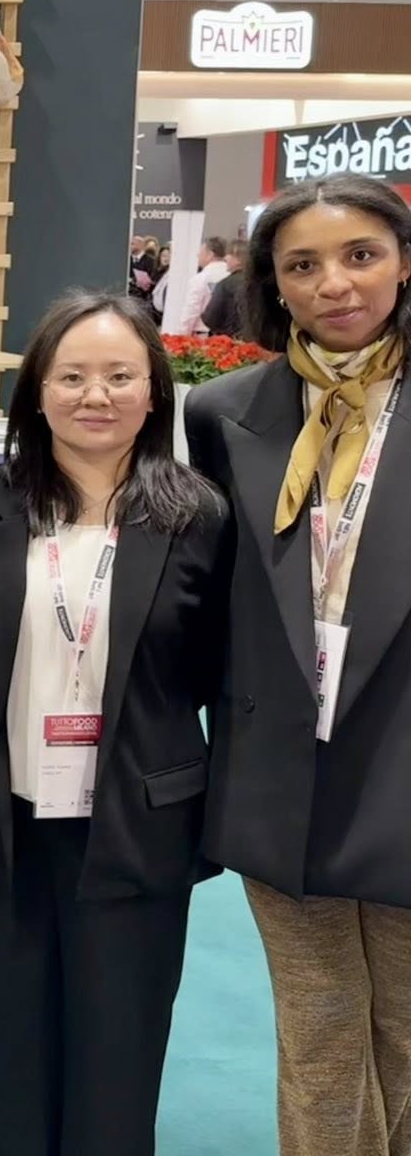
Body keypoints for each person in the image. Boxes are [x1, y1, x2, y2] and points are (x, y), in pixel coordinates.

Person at [0, 291, 230, 1156]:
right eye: (72, 377)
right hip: (3, 818)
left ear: (154, 391)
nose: (96, 395)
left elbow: (207, 664)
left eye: (120, 376)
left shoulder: (200, 516)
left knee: (116, 1058)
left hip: (136, 822)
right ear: (37, 391)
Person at [185, 173, 411, 1156]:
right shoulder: (223, 412)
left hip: (400, 751)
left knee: (404, 1030)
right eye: (302, 265)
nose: (333, 284)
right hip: (279, 762)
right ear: (272, 284)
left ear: (403, 263)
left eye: (360, 255)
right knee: (319, 1031)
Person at [178, 236, 231, 336]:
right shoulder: (231, 276)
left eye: (201, 252)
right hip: (228, 334)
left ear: (210, 254)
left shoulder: (200, 279)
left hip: (203, 334)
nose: (197, 255)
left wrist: (182, 334)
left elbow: (192, 309)